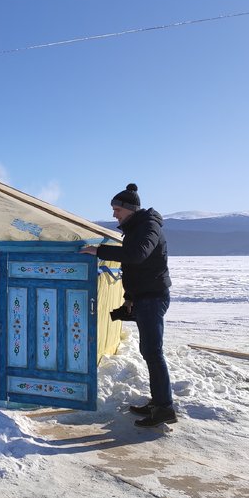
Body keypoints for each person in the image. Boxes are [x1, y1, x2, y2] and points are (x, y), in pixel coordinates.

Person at [80, 183, 176, 428]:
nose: (114, 215)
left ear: (129, 209)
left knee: (153, 353)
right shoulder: (137, 228)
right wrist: (130, 298)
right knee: (149, 352)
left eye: (117, 210)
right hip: (144, 297)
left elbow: (137, 255)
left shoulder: (149, 227)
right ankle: (159, 401)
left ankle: (164, 408)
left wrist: (99, 250)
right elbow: (135, 265)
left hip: (153, 298)